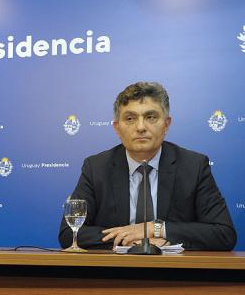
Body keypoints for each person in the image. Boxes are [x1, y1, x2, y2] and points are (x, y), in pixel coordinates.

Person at [59, 82, 236, 251]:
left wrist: (156, 228)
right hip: (114, 274)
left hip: (177, 274)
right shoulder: (96, 167)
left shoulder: (194, 165)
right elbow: (70, 233)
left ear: (166, 124)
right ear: (117, 128)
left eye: (150, 117)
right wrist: (134, 239)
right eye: (130, 118)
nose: (141, 127)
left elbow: (223, 233)